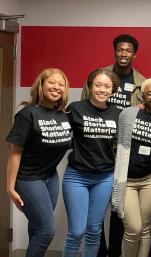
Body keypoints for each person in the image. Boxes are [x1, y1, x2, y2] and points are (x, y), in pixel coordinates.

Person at [81, 34, 146, 257]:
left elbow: (143, 120)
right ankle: (99, 252)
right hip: (97, 151)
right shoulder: (99, 77)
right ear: (115, 51)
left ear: (134, 54)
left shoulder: (141, 83)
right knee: (95, 213)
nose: (124, 54)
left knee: (119, 210)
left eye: (128, 50)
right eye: (120, 49)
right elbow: (83, 110)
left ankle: (115, 253)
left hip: (124, 155)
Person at [6, 68, 72, 257]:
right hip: (28, 178)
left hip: (50, 178)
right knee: (46, 230)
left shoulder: (63, 115)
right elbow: (15, 154)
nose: (57, 87)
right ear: (41, 84)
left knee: (37, 228)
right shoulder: (27, 114)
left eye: (61, 84)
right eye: (52, 82)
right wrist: (10, 188)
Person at [62, 68, 120, 257]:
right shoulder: (75, 108)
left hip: (104, 178)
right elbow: (58, 133)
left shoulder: (117, 113)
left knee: (94, 231)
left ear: (113, 90)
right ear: (90, 86)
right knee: (77, 231)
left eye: (107, 86)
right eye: (98, 85)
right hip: (76, 176)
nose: (102, 89)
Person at [111, 78, 151, 257]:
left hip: (150, 179)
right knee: (133, 228)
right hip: (127, 180)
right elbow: (118, 145)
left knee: (145, 228)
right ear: (143, 97)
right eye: (150, 93)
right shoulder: (128, 114)